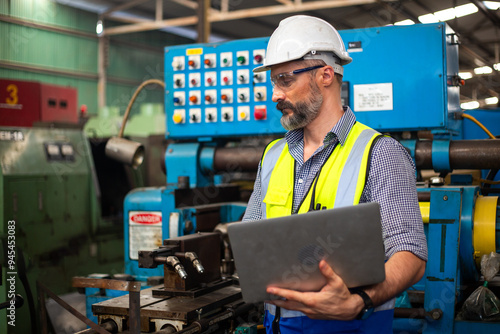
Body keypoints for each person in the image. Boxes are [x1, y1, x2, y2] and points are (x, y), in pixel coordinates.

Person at [242, 15, 427, 333]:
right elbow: (251, 241)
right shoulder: (273, 156)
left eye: (285, 80)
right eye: (273, 82)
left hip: (351, 325)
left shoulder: (380, 153)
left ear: (325, 75)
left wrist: (361, 302)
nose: (275, 95)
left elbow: (411, 253)